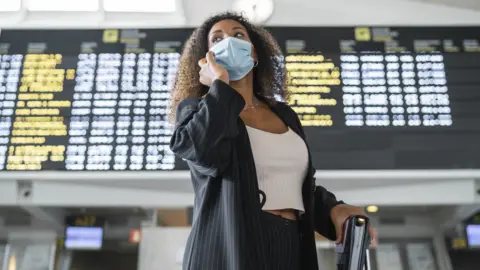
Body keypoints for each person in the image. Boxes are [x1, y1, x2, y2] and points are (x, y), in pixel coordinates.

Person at [169, 12, 376, 270]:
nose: (229, 41)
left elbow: (297, 185)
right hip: (230, 249)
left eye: (238, 35)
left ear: (254, 54)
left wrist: (335, 209)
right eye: (217, 39)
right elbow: (203, 154)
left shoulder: (284, 114)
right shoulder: (197, 110)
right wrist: (219, 86)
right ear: (205, 59)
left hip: (291, 242)